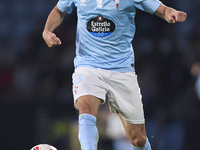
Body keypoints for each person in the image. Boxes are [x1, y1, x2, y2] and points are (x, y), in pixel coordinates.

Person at [42, 0, 187, 149]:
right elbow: (59, 10)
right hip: (88, 64)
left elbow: (162, 9)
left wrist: (170, 13)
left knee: (138, 139)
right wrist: (47, 30)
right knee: (85, 108)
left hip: (122, 69)